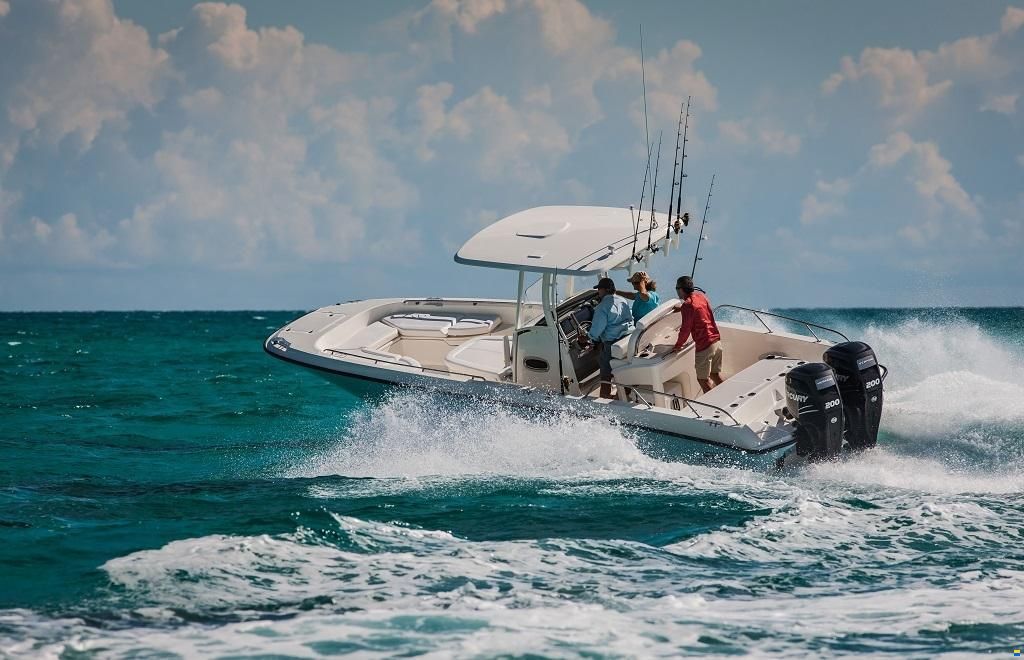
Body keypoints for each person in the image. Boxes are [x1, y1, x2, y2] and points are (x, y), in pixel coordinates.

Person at [670, 276, 725, 393]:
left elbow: (685, 330)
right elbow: (697, 307)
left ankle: (714, 405)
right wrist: (682, 308)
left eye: (676, 288)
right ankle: (728, 396)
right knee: (715, 375)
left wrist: (678, 345)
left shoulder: (688, 306)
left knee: (702, 380)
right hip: (716, 342)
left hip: (705, 347)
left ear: (681, 289)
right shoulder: (701, 297)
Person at [583, 276, 635, 399]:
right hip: (628, 339)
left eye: (599, 289)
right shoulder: (622, 300)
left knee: (605, 367)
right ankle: (625, 391)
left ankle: (604, 395)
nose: (598, 292)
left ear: (605, 290)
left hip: (613, 343)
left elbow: (596, 331)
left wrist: (586, 337)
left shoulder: (601, 308)